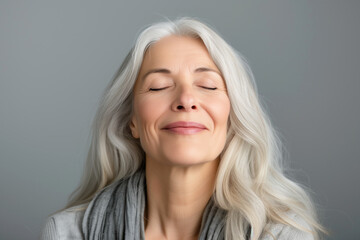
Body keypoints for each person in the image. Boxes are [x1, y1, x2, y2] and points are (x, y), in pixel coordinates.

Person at [40, 17, 326, 240]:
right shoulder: (67, 233)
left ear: (233, 117)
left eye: (208, 86)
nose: (186, 100)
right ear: (132, 121)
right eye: (159, 87)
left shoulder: (281, 235)